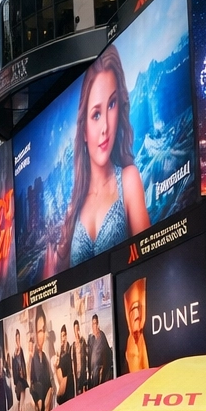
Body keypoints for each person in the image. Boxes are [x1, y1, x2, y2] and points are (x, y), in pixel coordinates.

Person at [47, 45, 152, 275]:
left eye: (111, 104)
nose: (105, 126)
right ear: (84, 130)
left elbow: (151, 262)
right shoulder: (73, 208)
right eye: (96, 114)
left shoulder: (129, 180)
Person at [28, 309, 53, 411]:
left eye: (43, 330)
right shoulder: (33, 358)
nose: (41, 335)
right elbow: (30, 380)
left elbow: (49, 382)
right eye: (39, 331)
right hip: (37, 398)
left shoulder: (45, 357)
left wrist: (50, 391)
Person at [122, 278, 150, 371]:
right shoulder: (131, 344)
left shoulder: (142, 340)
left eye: (138, 308)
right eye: (133, 310)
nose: (137, 314)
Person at [87, 313, 113, 387]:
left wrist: (103, 367)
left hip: (100, 370)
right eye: (93, 324)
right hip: (93, 372)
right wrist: (89, 372)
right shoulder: (90, 338)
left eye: (95, 323)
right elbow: (89, 355)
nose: (94, 326)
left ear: (98, 324)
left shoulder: (102, 336)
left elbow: (108, 352)